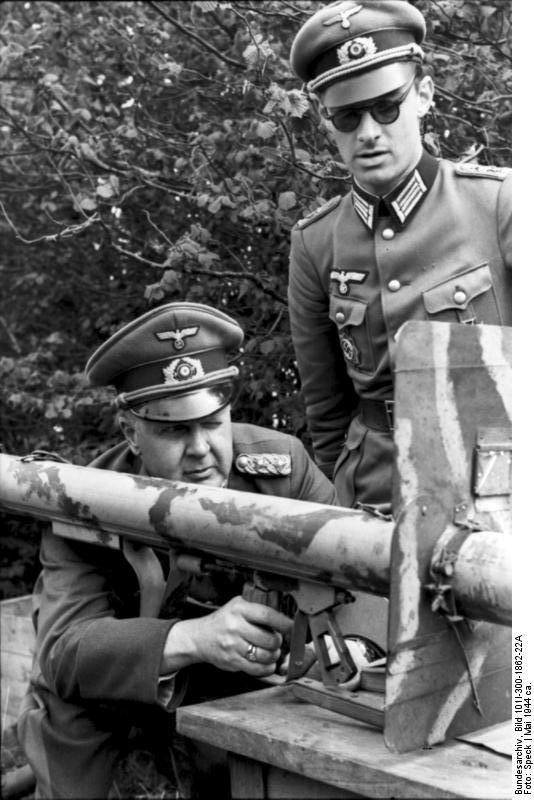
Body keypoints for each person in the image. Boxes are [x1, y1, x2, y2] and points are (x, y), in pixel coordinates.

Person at [17, 301, 337, 799]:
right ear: (131, 433)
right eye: (174, 430)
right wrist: (197, 636)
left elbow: (353, 587)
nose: (201, 449)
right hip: (107, 704)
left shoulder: (283, 470)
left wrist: (317, 648)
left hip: (242, 691)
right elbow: (63, 653)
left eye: (213, 423)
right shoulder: (82, 498)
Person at [287, 0, 511, 511]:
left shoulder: (499, 203)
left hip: (493, 482)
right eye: (347, 115)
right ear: (326, 123)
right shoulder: (315, 242)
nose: (368, 131)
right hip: (374, 493)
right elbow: (325, 406)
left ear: (424, 95)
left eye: (387, 106)